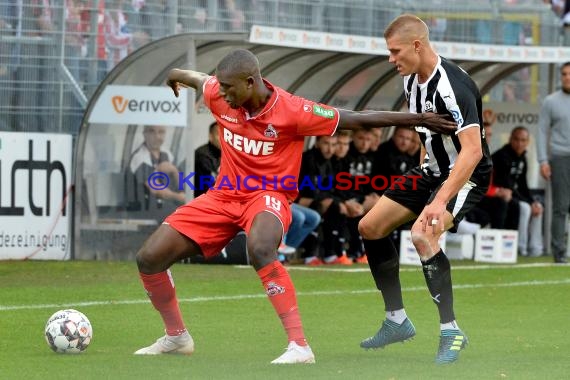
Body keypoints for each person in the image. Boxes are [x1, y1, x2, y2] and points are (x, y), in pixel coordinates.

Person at [133, 48, 455, 363]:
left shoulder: (292, 110)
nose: (223, 95)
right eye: (221, 87)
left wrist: (418, 119)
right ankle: (177, 337)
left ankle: (299, 346)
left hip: (267, 196)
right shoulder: (219, 91)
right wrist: (174, 76)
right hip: (222, 195)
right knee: (148, 258)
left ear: (250, 82)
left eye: (230, 88)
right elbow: (195, 78)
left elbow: (355, 119)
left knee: (259, 249)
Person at [357, 15, 492, 364]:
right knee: (369, 227)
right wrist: (424, 170)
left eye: (394, 51)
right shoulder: (411, 82)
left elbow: (473, 150)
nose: (390, 59)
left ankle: (451, 331)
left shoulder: (453, 86)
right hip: (431, 171)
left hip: (467, 174)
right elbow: (426, 132)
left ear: (417, 45)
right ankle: (396, 321)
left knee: (422, 235)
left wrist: (440, 200)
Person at [297, 134, 352, 265]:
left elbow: (330, 189)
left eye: (333, 145)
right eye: (326, 144)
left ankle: (331, 254)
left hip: (314, 198)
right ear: (317, 143)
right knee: (318, 206)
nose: (329, 149)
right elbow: (309, 189)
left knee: (336, 207)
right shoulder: (308, 159)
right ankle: (309, 255)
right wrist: (328, 199)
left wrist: (337, 201)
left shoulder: (328, 162)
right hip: (296, 198)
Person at [491, 126, 544, 257]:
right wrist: (528, 203)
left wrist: (533, 202)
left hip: (513, 195)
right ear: (510, 139)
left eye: (523, 140)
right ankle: (520, 248)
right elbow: (507, 185)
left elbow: (522, 185)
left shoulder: (522, 158)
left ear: (528, 142)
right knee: (525, 208)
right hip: (496, 196)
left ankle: (535, 249)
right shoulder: (501, 156)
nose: (520, 143)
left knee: (538, 207)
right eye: (517, 139)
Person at [536, 61, 570, 264]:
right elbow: (541, 131)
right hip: (560, 157)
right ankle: (559, 253)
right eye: (564, 74)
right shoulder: (550, 101)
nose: (567, 77)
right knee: (560, 207)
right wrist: (542, 160)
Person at [125, 125, 185, 222]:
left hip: (164, 208)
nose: (157, 136)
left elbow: (181, 183)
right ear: (144, 134)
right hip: (143, 211)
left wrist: (174, 170)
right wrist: (179, 197)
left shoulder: (167, 154)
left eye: (161, 132)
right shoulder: (140, 157)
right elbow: (156, 190)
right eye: (152, 132)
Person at [193, 121, 221, 198]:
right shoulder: (202, 155)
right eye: (219, 134)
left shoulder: (227, 153)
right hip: (203, 201)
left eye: (225, 134)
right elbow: (208, 186)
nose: (223, 138)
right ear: (210, 136)